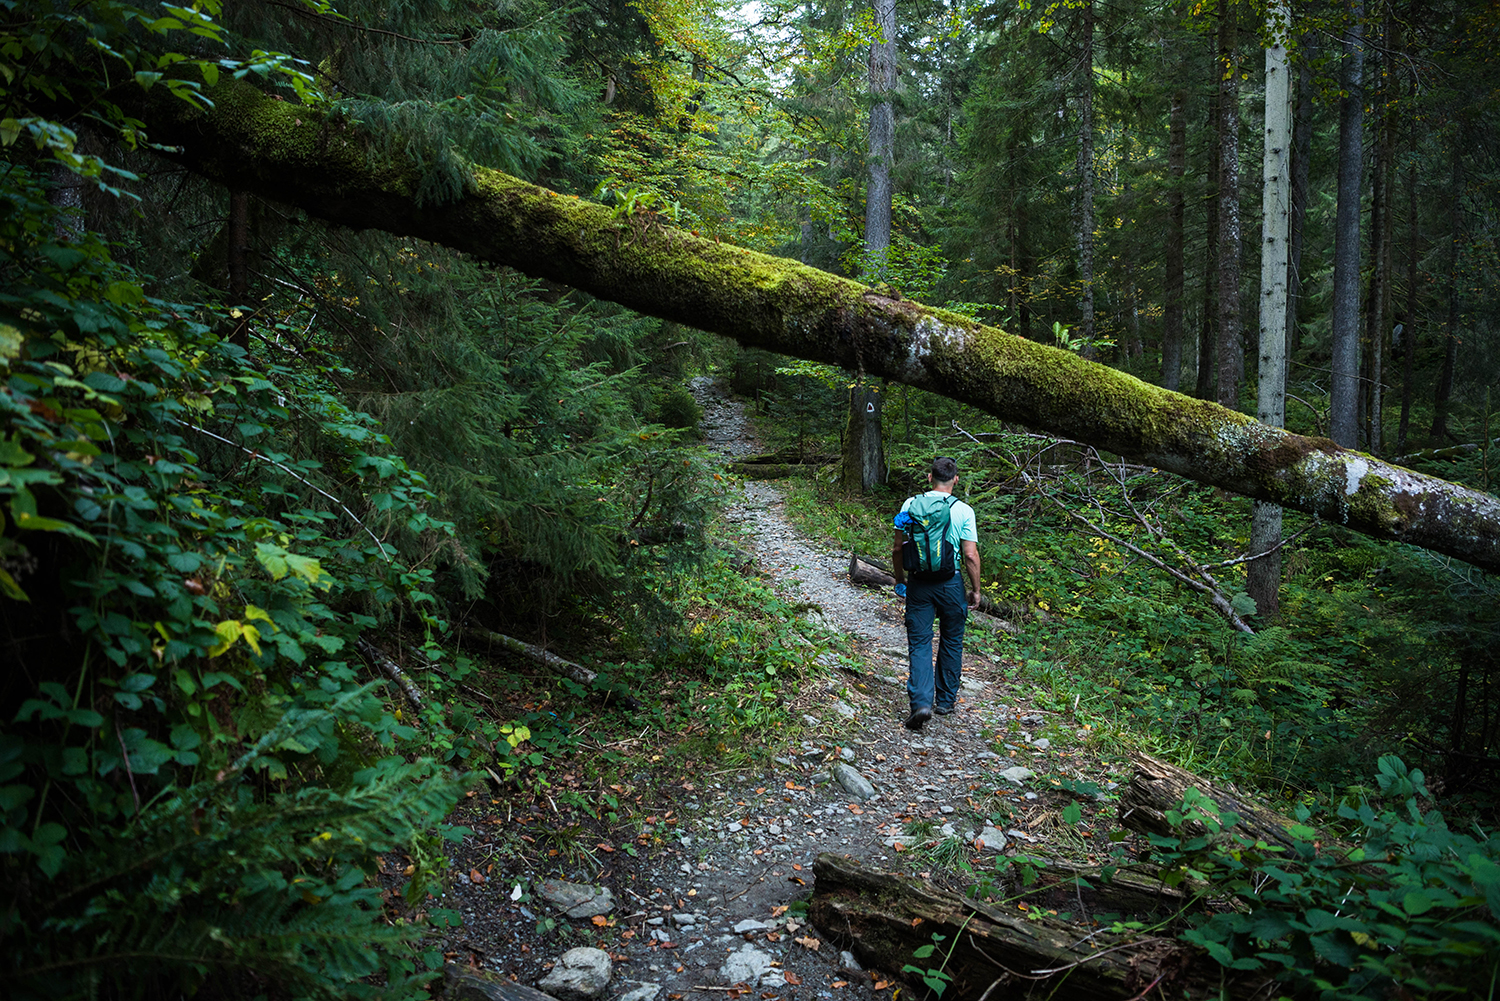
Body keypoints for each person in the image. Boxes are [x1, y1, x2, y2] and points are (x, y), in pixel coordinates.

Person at [891, 456, 981, 731]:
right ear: (955, 480)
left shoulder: (910, 504)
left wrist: (900, 580)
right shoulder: (964, 510)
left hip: (919, 583)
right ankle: (945, 701)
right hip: (951, 583)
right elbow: (970, 555)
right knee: (952, 639)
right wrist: (976, 589)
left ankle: (921, 703)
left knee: (920, 642)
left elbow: (897, 548)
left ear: (930, 477)